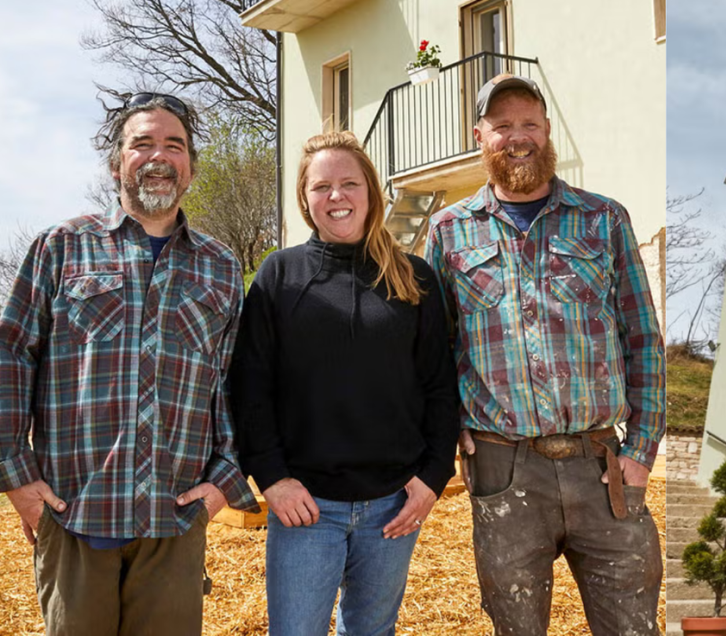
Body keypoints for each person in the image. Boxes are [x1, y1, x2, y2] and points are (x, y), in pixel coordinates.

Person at [0, 92, 258, 635]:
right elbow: (10, 355)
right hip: (75, 517)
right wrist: (18, 477)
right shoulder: (62, 247)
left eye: (175, 145)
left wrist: (224, 479)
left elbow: (237, 381)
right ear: (116, 162)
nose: (159, 156)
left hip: (175, 521)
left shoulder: (219, 266)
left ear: (190, 166)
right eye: (142, 144)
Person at [425, 74, 666, 636]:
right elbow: (434, 348)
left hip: (603, 468)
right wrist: (449, 427)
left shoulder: (604, 220)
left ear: (548, 130)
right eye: (503, 125)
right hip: (502, 471)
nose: (518, 137)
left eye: (529, 123)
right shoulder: (448, 231)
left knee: (632, 627)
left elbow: (643, 339)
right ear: (479, 135)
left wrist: (643, 451)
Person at [228, 131, 460, 636]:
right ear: (305, 200)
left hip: (393, 507)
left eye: (349, 183)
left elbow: (440, 385)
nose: (336, 196)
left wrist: (432, 478)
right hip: (305, 508)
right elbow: (250, 388)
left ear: (371, 192)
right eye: (322, 186)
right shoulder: (279, 275)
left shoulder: (412, 277)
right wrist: (272, 478)